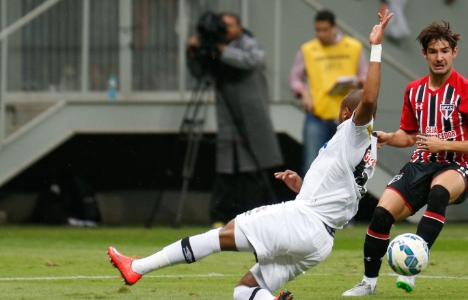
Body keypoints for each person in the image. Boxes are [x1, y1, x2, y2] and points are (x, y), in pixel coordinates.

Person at [107, 10, 394, 300]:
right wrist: (304, 187)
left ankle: (138, 266)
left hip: (303, 222)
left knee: (223, 234)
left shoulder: (353, 130)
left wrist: (376, 46)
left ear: (347, 113)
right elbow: (340, 191)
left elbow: (368, 99)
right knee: (245, 291)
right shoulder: (366, 149)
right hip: (321, 240)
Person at [342, 20, 468, 296]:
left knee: (438, 193)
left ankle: (411, 269)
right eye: (433, 51)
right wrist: (390, 137)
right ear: (424, 54)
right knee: (380, 214)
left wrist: (445, 144)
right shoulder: (414, 90)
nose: (439, 57)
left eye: (445, 51)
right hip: (421, 163)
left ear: (454, 53)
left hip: (459, 166)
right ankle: (368, 282)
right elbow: (410, 135)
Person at [188, 12, 284, 228]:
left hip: (251, 116)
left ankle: (256, 215)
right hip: (228, 119)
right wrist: (193, 51)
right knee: (226, 170)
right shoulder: (214, 47)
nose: (225, 30)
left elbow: (251, 60)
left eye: (229, 26)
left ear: (239, 27)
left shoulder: (247, 43)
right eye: (222, 26)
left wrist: (222, 50)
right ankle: (220, 217)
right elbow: (201, 75)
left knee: (252, 168)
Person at [290, 9, 369, 176]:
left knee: (349, 167)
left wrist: (356, 81)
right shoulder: (308, 49)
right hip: (318, 116)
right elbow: (295, 78)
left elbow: (366, 77)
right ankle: (311, 201)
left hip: (349, 119)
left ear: (335, 27)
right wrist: (304, 93)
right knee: (313, 167)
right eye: (317, 30)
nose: (321, 34)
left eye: (325, 30)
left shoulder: (353, 47)